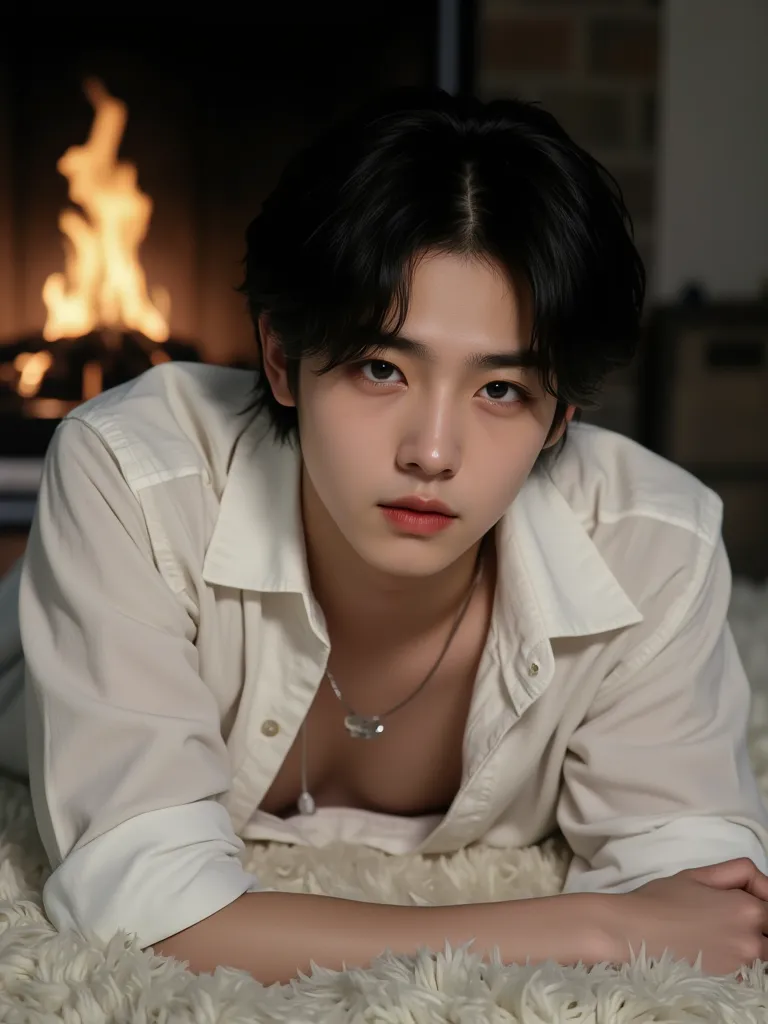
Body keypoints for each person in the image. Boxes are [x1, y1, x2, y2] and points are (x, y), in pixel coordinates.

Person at [1, 86, 768, 985]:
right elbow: (140, 909)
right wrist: (593, 930)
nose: (432, 452)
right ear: (284, 360)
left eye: (500, 391)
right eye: (380, 367)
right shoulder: (133, 480)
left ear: (561, 416)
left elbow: (710, 905)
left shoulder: (654, 546)